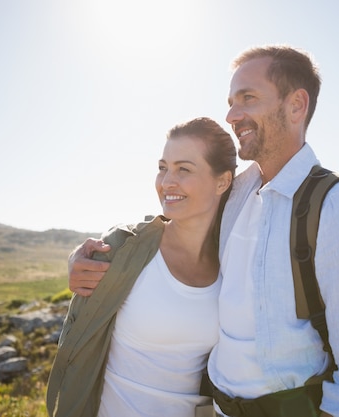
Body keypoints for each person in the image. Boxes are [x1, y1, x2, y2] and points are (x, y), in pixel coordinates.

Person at [68, 45, 339, 417]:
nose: (231, 115)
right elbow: (179, 213)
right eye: (230, 101)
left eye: (248, 98)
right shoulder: (238, 192)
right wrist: (99, 251)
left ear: (296, 106)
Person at [46, 117, 236, 417]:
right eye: (163, 168)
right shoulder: (125, 251)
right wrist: (78, 260)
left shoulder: (233, 260)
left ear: (222, 181)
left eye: (183, 169)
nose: (166, 182)